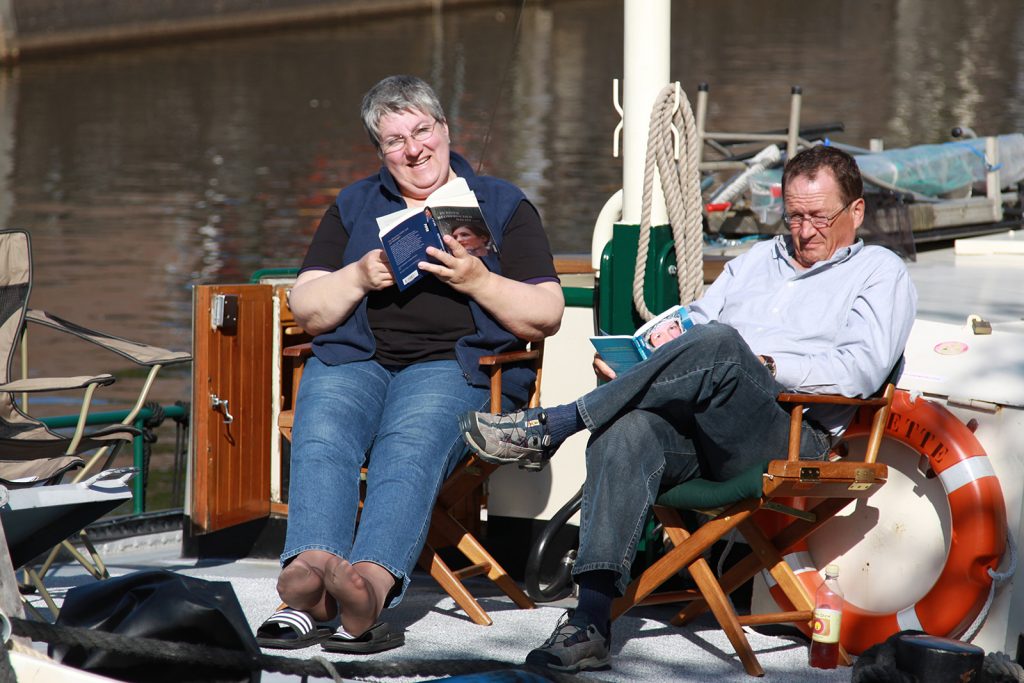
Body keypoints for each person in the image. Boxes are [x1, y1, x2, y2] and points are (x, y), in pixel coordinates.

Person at [460, 144, 917, 673]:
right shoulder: (756, 262)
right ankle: (589, 621)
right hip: (703, 426)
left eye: (819, 216)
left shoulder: (879, 273)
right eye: (794, 215)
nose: (805, 230)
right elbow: (692, 322)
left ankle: (558, 422)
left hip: (788, 433)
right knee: (627, 428)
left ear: (855, 212)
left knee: (724, 344)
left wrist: (764, 363)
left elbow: (861, 369)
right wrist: (643, 351)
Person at [256, 74, 563, 648]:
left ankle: (367, 588)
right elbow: (307, 306)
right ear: (380, 151)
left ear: (445, 130)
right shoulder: (355, 203)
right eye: (395, 140)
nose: (414, 148)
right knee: (322, 434)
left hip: (456, 367)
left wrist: (478, 279)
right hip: (358, 358)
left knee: (410, 445)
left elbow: (546, 313)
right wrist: (359, 275)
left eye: (422, 131)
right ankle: (309, 576)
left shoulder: (501, 203)